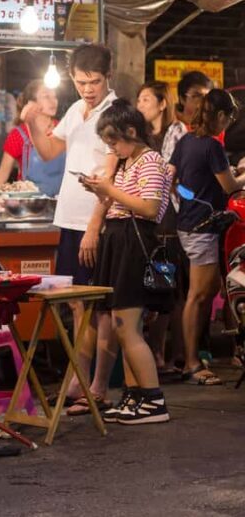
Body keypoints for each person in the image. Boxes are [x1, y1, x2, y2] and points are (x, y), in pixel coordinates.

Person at [20, 43, 118, 413]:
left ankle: (99, 386)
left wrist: (94, 227)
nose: (88, 89)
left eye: (94, 82)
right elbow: (49, 151)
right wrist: (32, 123)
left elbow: (111, 177)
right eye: (80, 82)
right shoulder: (76, 109)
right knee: (77, 304)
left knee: (101, 307)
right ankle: (79, 379)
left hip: (97, 222)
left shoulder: (115, 112)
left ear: (108, 76)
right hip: (69, 218)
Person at [82, 99, 173, 424]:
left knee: (128, 326)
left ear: (131, 132)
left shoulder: (150, 160)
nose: (112, 149)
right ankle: (135, 396)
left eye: (114, 141)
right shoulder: (128, 161)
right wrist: (101, 191)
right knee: (122, 327)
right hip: (118, 240)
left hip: (134, 243)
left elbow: (149, 208)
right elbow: (122, 201)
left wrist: (109, 189)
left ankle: (154, 400)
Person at [170, 89, 245, 385]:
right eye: (228, 119)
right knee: (198, 296)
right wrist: (243, 174)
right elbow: (229, 187)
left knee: (208, 289)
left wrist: (190, 195)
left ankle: (193, 357)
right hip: (202, 228)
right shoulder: (212, 146)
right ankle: (191, 364)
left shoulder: (186, 141)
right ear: (221, 116)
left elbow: (172, 179)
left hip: (188, 223)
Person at [137, 81, 188, 375]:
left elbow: (169, 175)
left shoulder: (176, 132)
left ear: (162, 103)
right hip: (148, 216)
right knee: (156, 284)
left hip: (168, 218)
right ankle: (161, 353)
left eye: (146, 99)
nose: (140, 104)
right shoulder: (142, 135)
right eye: (139, 99)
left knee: (166, 284)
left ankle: (170, 354)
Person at [0, 80, 66, 196]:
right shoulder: (18, 135)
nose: (53, 101)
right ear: (32, 103)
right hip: (29, 202)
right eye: (46, 96)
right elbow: (3, 173)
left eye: (54, 96)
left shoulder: (64, 129)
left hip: (62, 200)